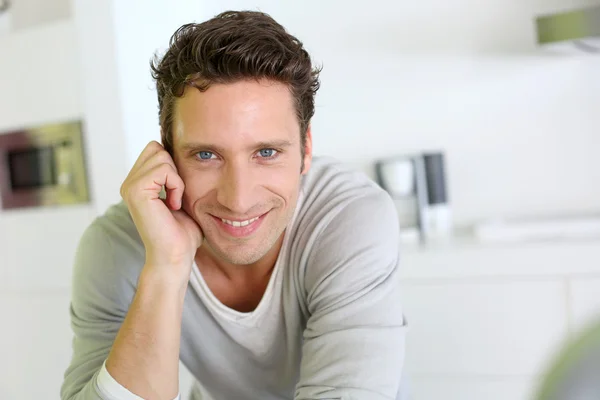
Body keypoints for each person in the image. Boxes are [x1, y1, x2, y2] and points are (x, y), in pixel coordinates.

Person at [61, 10, 407, 400]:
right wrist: (165, 267)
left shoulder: (350, 218)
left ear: (306, 149)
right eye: (206, 155)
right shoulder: (116, 246)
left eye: (266, 152)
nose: (238, 200)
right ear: (168, 151)